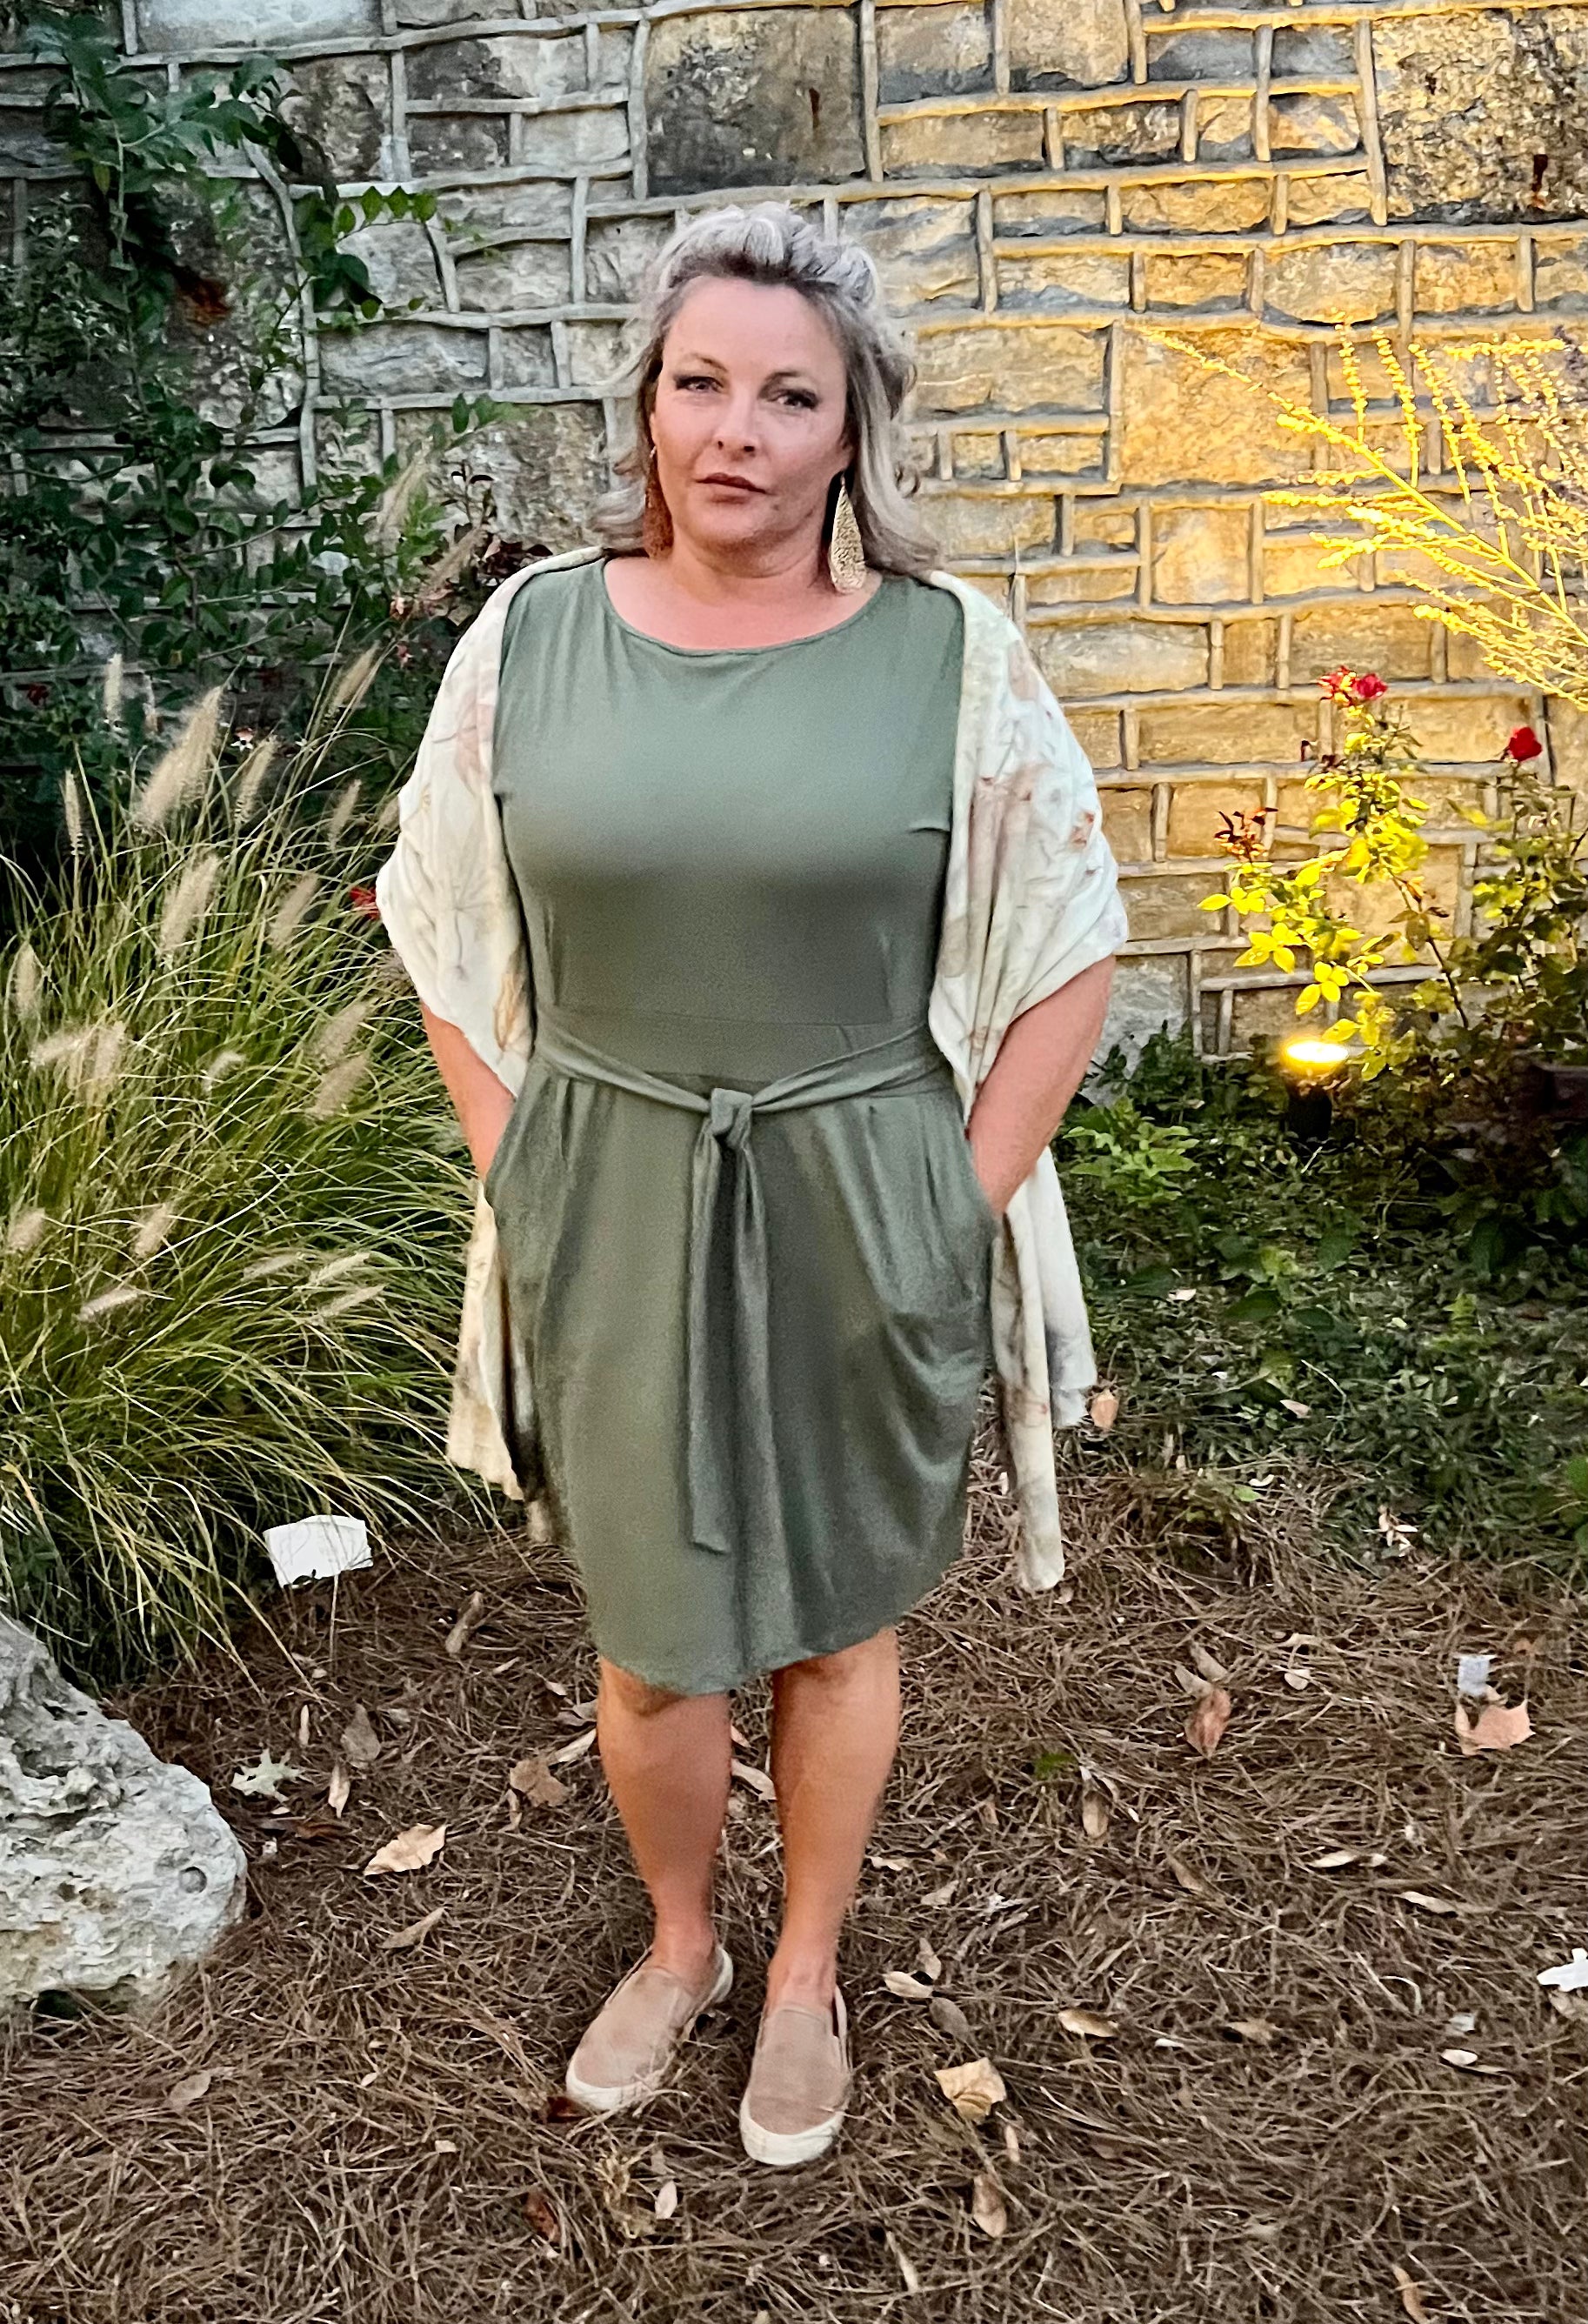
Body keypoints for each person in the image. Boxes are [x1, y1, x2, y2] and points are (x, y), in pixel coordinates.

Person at [374, 200, 1126, 2168]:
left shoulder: (948, 656)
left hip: (861, 1184)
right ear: (647, 403)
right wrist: (522, 1165)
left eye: (789, 395)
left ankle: (802, 1971)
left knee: (837, 1625)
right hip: (610, 1183)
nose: (738, 430)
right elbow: (437, 919)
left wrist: (953, 1204)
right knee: (650, 1632)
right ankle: (681, 1941)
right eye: (700, 382)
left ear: (852, 426)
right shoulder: (530, 637)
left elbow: (1069, 945)